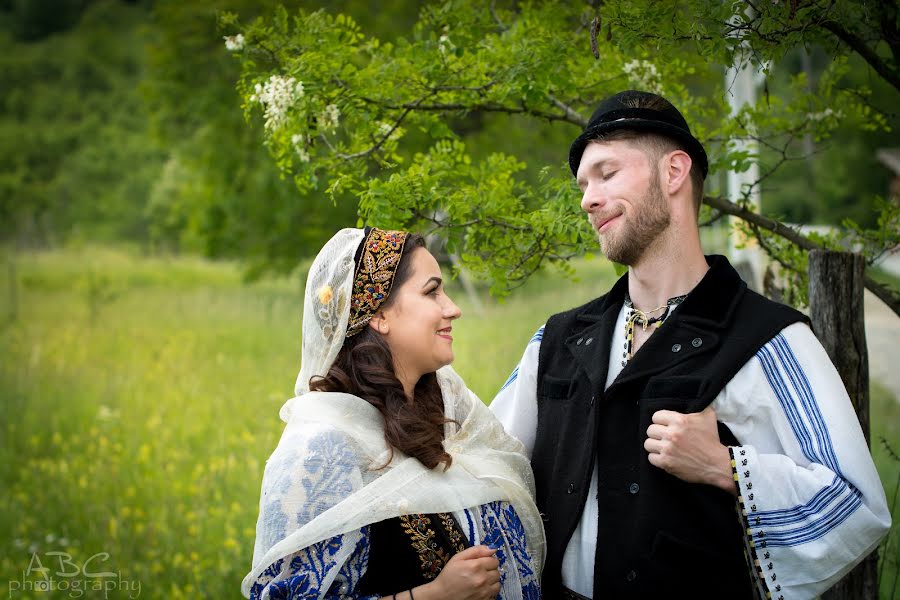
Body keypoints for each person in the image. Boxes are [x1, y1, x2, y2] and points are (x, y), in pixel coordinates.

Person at [490, 90, 891, 599]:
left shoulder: (771, 341)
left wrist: (728, 467)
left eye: (607, 174)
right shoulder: (558, 339)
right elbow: (488, 460)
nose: (587, 199)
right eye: (583, 184)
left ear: (674, 172)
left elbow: (856, 505)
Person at [242, 227, 544, 600]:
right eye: (432, 291)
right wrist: (436, 595)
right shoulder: (322, 449)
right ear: (380, 315)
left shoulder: (451, 414)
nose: (453, 307)